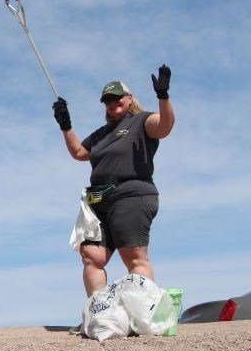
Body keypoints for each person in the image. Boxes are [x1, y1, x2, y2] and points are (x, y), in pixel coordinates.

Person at [52, 65, 175, 332]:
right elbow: (78, 152)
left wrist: (163, 96)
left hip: (131, 194)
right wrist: (66, 125)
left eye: (117, 97)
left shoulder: (141, 120)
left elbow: (164, 127)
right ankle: (102, 317)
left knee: (134, 257)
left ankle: (145, 319)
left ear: (129, 98)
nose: (112, 103)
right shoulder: (102, 132)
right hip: (98, 202)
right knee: (92, 256)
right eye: (107, 100)